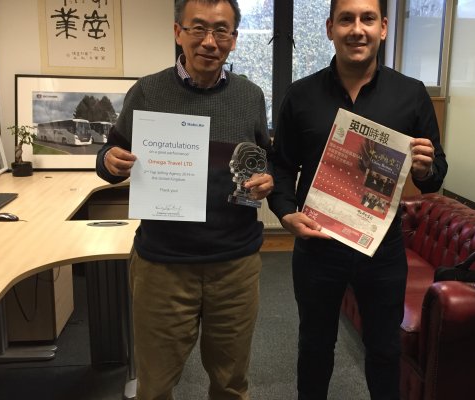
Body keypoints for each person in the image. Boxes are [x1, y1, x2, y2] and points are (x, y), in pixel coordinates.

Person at [266, 0, 447, 398]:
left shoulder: (411, 94)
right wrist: (285, 213)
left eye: (368, 18)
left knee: (384, 350)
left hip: (382, 250)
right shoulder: (301, 95)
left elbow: (435, 173)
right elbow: (281, 164)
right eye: (346, 19)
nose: (357, 29)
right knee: (314, 347)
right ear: (330, 28)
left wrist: (423, 169)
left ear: (383, 27)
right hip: (318, 245)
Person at [95, 0, 273, 399]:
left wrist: (268, 179)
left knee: (231, 384)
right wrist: (109, 161)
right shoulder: (147, 91)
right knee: (155, 385)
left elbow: (267, 158)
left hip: (234, 265)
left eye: (221, 30)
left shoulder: (250, 96)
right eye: (198, 28)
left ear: (234, 39)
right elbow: (109, 152)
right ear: (178, 32)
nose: (210, 41)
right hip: (163, 266)